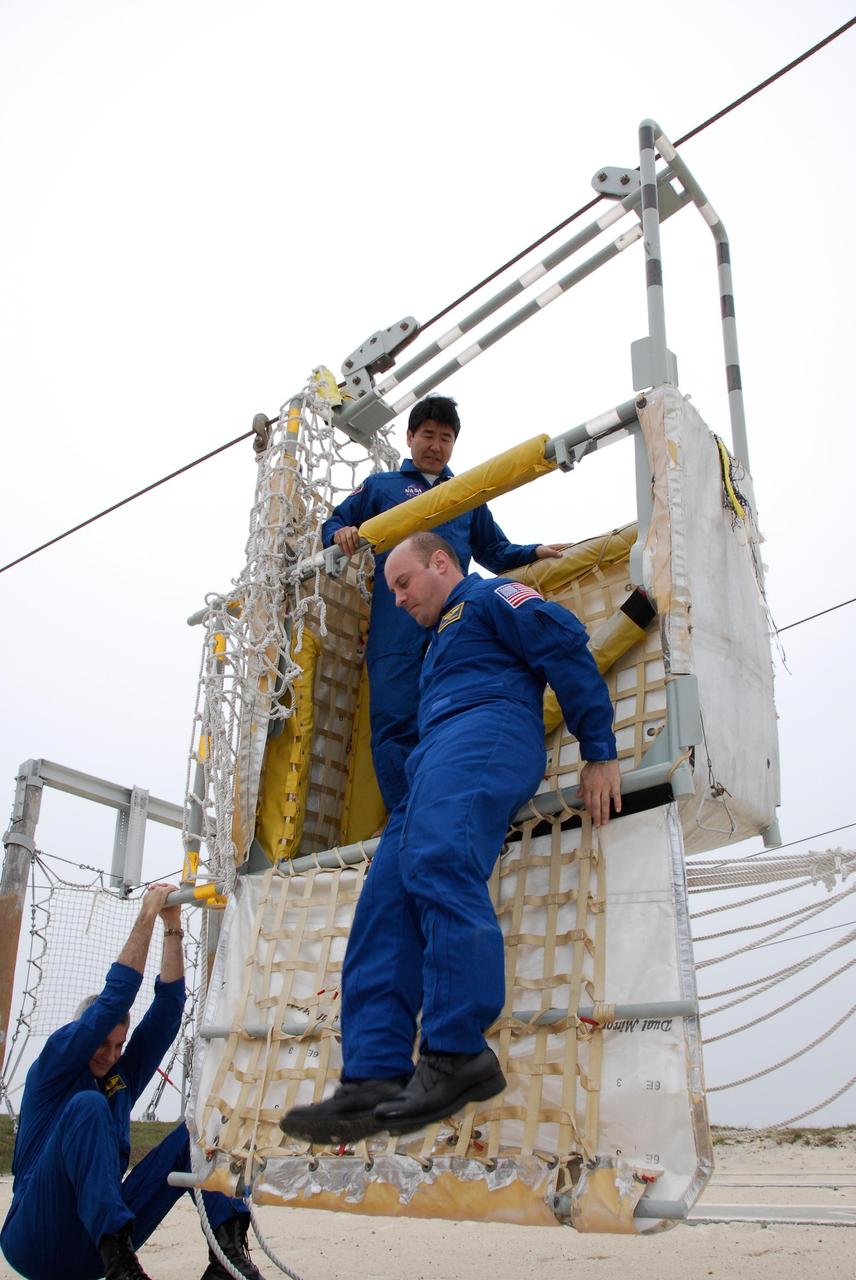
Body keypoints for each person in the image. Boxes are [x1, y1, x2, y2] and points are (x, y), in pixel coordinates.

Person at [281, 532, 621, 1145]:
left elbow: (564, 643)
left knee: (439, 858)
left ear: (442, 563)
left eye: (403, 582)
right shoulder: (432, 644)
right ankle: (374, 1076)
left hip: (489, 730)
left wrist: (599, 750)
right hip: (432, 760)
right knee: (384, 899)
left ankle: (456, 1052)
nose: (399, 599)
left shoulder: (493, 596)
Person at [0, 884, 261, 1280]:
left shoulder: (117, 1076)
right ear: (83, 1034)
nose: (110, 1055)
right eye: (101, 1044)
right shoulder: (56, 1065)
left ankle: (225, 1257)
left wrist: (172, 926)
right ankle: (120, 1262)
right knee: (88, 1107)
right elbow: (115, 996)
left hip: (95, 1250)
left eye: (119, 1046)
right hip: (36, 1235)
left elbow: (168, 1011)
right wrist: (148, 914)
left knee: (200, 1131)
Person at [322, 394, 565, 811]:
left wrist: (534, 551)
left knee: (450, 714)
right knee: (395, 723)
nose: (436, 446)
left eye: (446, 438)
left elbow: (495, 551)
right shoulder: (383, 486)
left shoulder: (467, 492)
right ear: (410, 436)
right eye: (428, 435)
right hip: (396, 627)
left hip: (454, 623)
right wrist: (339, 534)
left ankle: (449, 804)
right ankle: (407, 816)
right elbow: (335, 521)